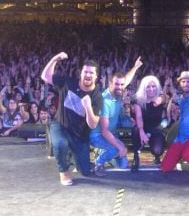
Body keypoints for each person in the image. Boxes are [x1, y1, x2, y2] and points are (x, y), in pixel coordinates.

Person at [41, 51, 103, 186]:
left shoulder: (97, 96)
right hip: (60, 125)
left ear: (96, 76)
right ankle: (63, 171)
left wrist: (88, 107)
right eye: (85, 72)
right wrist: (55, 59)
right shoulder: (68, 82)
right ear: (81, 73)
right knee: (60, 144)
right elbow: (45, 76)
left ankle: (71, 155)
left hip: (79, 135)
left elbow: (92, 124)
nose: (88, 75)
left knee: (85, 171)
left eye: (91, 73)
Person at [91, 56, 142, 176]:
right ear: (110, 83)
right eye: (117, 84)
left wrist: (135, 67)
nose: (120, 87)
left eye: (122, 85)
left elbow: (126, 79)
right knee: (116, 148)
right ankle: (98, 163)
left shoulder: (117, 92)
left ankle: (108, 152)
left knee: (123, 165)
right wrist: (119, 146)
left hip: (110, 133)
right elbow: (104, 131)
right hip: (97, 135)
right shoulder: (104, 101)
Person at [160, 71, 189, 176]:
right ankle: (181, 154)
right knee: (165, 167)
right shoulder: (181, 99)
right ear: (180, 84)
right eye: (183, 81)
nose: (186, 84)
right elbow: (171, 94)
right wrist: (167, 85)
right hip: (181, 138)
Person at [132, 75, 167, 171]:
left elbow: (165, 97)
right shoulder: (138, 99)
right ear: (143, 88)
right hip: (141, 126)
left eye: (153, 86)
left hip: (155, 128)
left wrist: (161, 98)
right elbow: (138, 116)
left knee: (157, 150)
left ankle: (157, 156)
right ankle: (136, 157)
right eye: (148, 87)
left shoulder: (160, 98)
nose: (151, 89)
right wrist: (141, 131)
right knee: (136, 131)